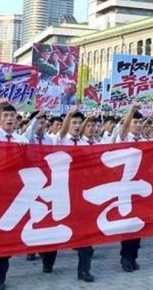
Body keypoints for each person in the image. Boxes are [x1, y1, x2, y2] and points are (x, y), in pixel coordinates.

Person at [41, 107, 94, 282]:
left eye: (80, 123)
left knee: (85, 233)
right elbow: (63, 131)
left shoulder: (87, 145)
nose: (77, 126)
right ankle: (48, 262)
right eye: (74, 123)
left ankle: (84, 270)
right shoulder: (60, 139)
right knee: (55, 230)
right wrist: (70, 114)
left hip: (80, 193)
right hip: (60, 193)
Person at [0, 100, 28, 290]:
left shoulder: (22, 139)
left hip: (16, 192)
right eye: (5, 116)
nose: (9, 119)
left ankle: (3, 266)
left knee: (9, 233)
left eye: (12, 116)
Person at [116, 103, 147, 272]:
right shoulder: (123, 138)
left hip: (140, 188)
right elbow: (124, 127)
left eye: (140, 123)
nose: (138, 125)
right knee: (127, 224)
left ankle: (133, 256)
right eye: (135, 123)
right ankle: (125, 257)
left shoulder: (145, 142)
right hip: (124, 187)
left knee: (138, 224)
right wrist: (131, 111)